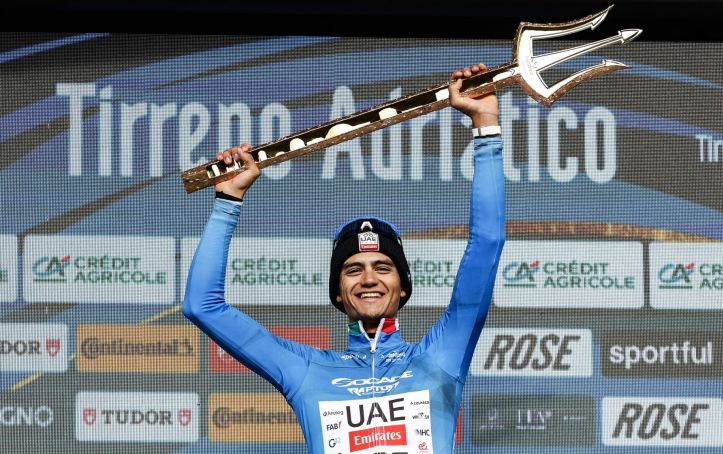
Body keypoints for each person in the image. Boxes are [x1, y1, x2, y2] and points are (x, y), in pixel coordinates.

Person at [183, 63, 505, 453]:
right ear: (338, 292)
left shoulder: (441, 355)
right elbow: (202, 306)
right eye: (353, 269)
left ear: (403, 287)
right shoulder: (306, 371)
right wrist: (228, 201)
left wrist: (485, 125)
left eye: (383, 267)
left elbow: (487, 243)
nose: (368, 279)